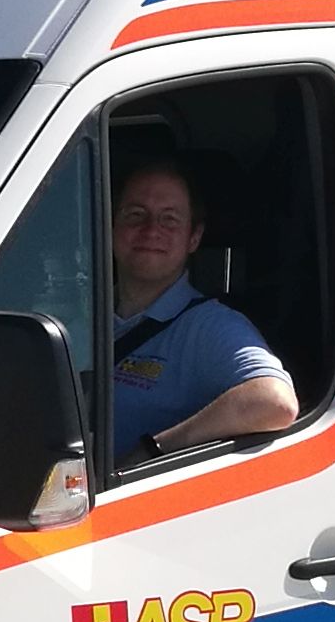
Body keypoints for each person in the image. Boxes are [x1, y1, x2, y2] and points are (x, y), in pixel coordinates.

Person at [106, 158, 297, 460]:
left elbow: (275, 403)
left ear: (193, 238)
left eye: (169, 219)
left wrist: (155, 449)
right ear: (111, 226)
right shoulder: (79, 314)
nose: (151, 229)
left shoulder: (210, 326)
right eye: (135, 215)